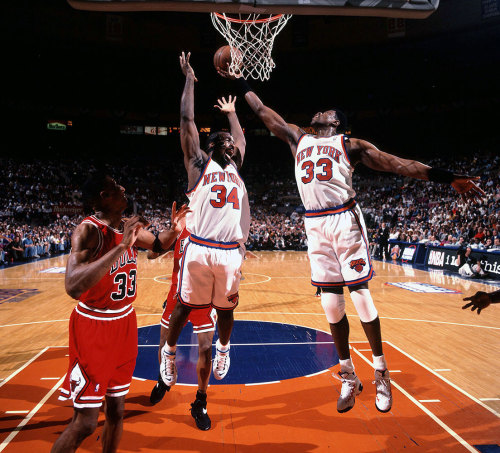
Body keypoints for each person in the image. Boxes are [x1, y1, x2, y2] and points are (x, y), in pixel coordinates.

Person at [222, 73, 485, 413]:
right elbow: (261, 109)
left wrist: (448, 178)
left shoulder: (351, 145)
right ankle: (348, 375)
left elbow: (401, 165)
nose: (318, 113)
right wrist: (240, 79)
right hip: (314, 224)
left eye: (326, 112)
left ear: (337, 123)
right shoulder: (297, 138)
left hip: (345, 220)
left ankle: (381, 373)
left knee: (360, 297)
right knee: (331, 306)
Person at [51, 172, 189, 453]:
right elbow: (73, 285)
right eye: (115, 186)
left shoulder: (128, 226)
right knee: (86, 423)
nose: (123, 188)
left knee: (116, 409)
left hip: (125, 322)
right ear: (104, 197)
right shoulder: (88, 230)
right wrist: (123, 246)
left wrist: (174, 230)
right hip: (94, 325)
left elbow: (159, 244)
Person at [160, 52, 249, 404]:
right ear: (212, 146)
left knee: (227, 310)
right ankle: (168, 353)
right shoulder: (198, 164)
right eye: (224, 140)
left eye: (231, 141)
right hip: (198, 247)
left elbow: (242, 141)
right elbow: (186, 119)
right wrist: (189, 80)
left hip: (228, 252)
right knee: (182, 307)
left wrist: (232, 113)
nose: (230, 142)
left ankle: (224, 348)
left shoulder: (236, 167)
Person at [148, 217, 216, 431]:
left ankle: (200, 402)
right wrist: (171, 232)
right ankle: (162, 378)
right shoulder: (181, 224)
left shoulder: (214, 224)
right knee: (164, 341)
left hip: (205, 296)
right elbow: (151, 254)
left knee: (205, 348)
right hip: (177, 294)